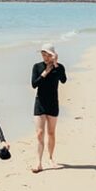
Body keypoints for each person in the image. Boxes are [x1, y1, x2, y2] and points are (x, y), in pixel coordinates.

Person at [31, 42, 67, 173]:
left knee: (51, 132)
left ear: (53, 55)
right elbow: (34, 84)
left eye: (48, 55)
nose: (45, 57)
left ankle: (51, 158)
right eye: (43, 54)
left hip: (53, 103)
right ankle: (38, 162)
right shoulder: (37, 67)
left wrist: (55, 65)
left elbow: (63, 80)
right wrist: (45, 73)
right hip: (40, 103)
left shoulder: (59, 68)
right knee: (40, 133)